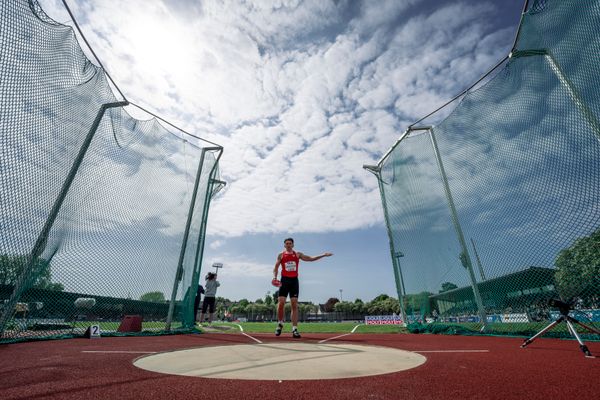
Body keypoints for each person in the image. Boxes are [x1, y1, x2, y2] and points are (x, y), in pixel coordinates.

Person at [273, 237, 332, 338]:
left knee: (294, 305)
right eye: (286, 243)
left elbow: (310, 259)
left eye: (290, 243)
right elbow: (276, 268)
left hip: (294, 281)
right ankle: (280, 324)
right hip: (284, 280)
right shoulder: (281, 255)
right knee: (281, 303)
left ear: (293, 245)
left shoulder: (297, 254)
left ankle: (294, 329)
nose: (288, 245)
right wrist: (274, 277)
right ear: (284, 245)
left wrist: (323, 255)